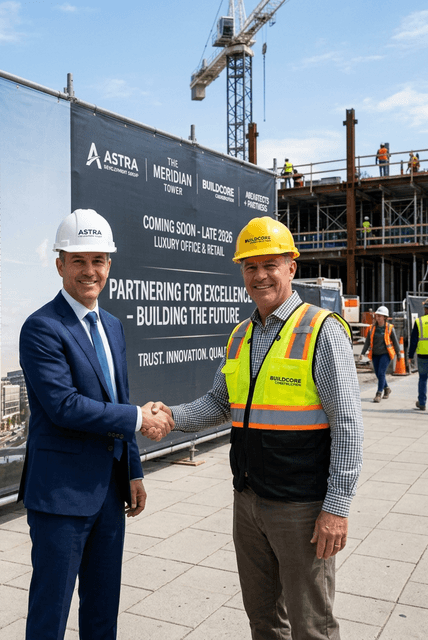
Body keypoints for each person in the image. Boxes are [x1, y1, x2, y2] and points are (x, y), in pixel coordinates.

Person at [152, 216, 363, 640]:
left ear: (291, 267)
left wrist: (336, 507)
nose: (260, 275)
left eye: (270, 264)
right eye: (250, 266)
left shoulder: (321, 331)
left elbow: (348, 425)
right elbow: (219, 402)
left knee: (312, 626)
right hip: (248, 500)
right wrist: (172, 417)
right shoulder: (241, 336)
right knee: (263, 620)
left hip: (301, 507)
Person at [19, 209, 173, 640]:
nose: (90, 271)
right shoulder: (41, 328)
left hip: (109, 491)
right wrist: (139, 418)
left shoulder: (112, 325)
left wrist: (134, 470)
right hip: (60, 496)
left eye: (99, 260)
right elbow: (64, 406)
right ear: (60, 265)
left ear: (109, 264)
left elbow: (117, 398)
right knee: (50, 613)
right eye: (79, 261)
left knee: (103, 610)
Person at [361, 305, 401, 403]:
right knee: (378, 374)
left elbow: (395, 342)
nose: (378, 317)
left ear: (385, 317)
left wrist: (399, 353)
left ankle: (378, 393)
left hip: (385, 354)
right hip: (375, 354)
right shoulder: (372, 328)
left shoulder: (390, 328)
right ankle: (386, 388)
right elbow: (367, 342)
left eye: (380, 315)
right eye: (377, 315)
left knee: (381, 373)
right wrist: (362, 352)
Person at [407, 298, 428, 411]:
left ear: (425, 309)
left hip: (422, 355)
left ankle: (422, 403)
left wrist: (410, 355)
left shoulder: (419, 321)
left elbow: (414, 340)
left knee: (423, 379)